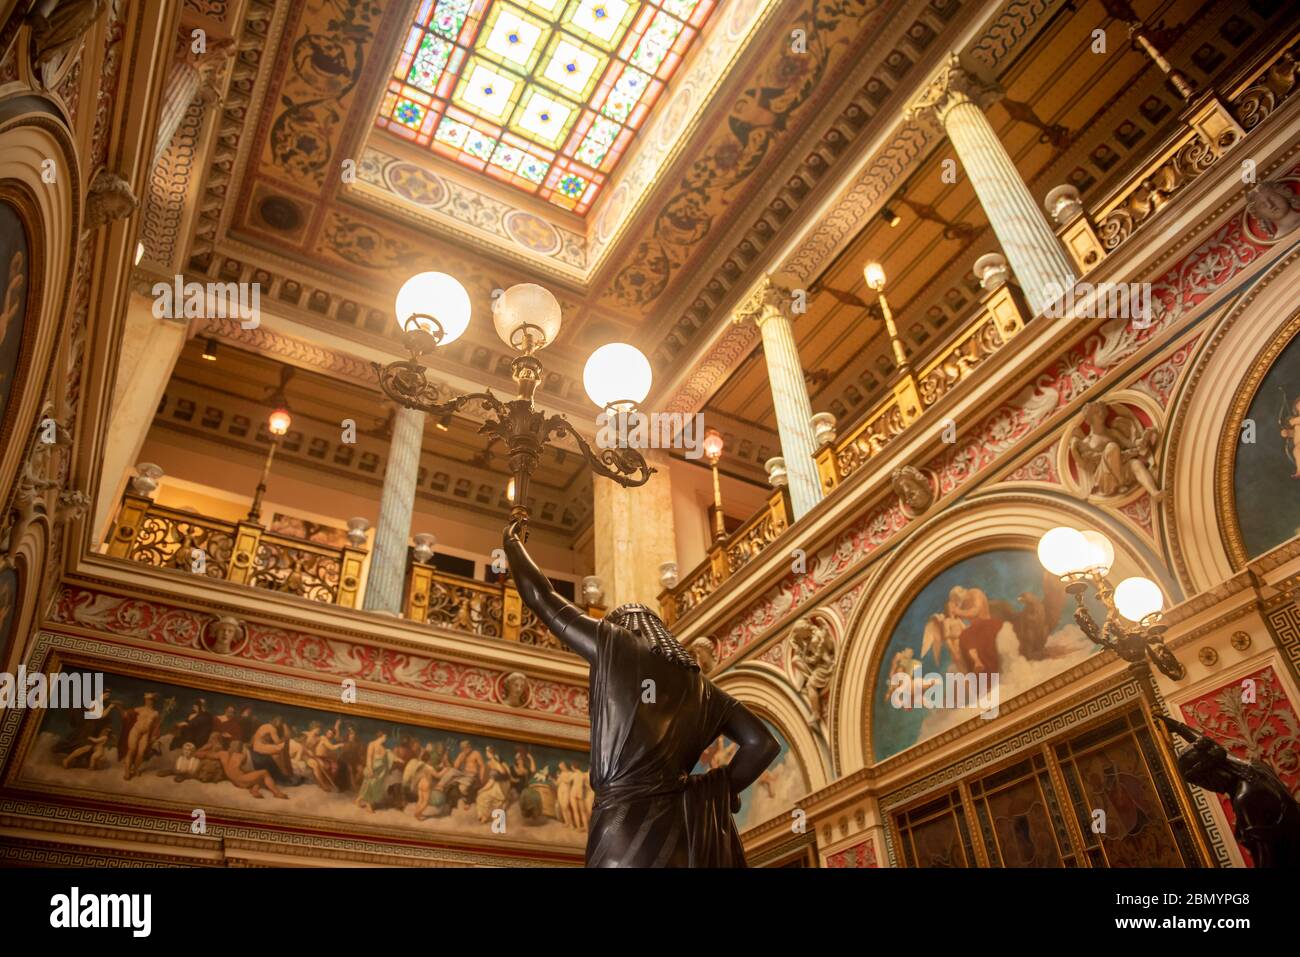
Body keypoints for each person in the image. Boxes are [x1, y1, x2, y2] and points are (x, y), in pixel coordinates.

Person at [504, 520, 778, 867]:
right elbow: (762, 744)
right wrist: (713, 791)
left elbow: (542, 598)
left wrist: (513, 545)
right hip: (680, 835)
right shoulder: (703, 689)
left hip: (620, 828)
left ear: (621, 629)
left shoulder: (614, 644)